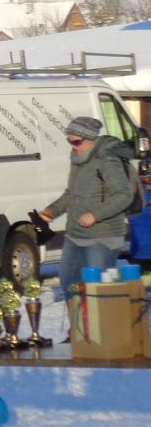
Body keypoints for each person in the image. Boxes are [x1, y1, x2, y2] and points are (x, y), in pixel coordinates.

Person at [39, 115, 137, 305]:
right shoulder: (77, 158)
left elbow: (124, 195)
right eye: (69, 141)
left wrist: (95, 215)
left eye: (76, 142)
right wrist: (51, 211)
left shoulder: (107, 160)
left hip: (102, 236)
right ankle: (78, 324)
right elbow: (71, 194)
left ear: (90, 138)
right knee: (69, 282)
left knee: (97, 290)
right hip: (75, 234)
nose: (73, 146)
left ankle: (100, 324)